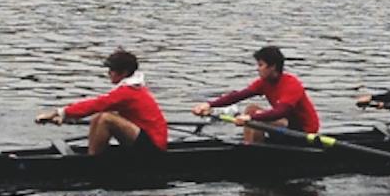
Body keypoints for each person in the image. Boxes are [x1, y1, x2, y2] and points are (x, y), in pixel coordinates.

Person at [36, 49, 169, 155]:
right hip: (144, 138)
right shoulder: (131, 88)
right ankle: (92, 155)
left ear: (124, 72)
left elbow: (96, 103)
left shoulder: (129, 92)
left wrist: (57, 112)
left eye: (112, 70)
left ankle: (92, 162)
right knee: (100, 115)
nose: (108, 73)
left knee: (106, 118)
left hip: (154, 147)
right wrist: (66, 118)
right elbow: (97, 107)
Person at [191, 45, 320, 144]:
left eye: (261, 65)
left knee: (255, 115)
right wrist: (209, 104)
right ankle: (249, 145)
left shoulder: (291, 84)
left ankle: (256, 151)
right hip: (284, 126)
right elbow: (238, 96)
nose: (257, 68)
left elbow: (281, 111)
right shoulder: (264, 82)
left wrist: (252, 118)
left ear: (273, 67)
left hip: (304, 131)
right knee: (251, 109)